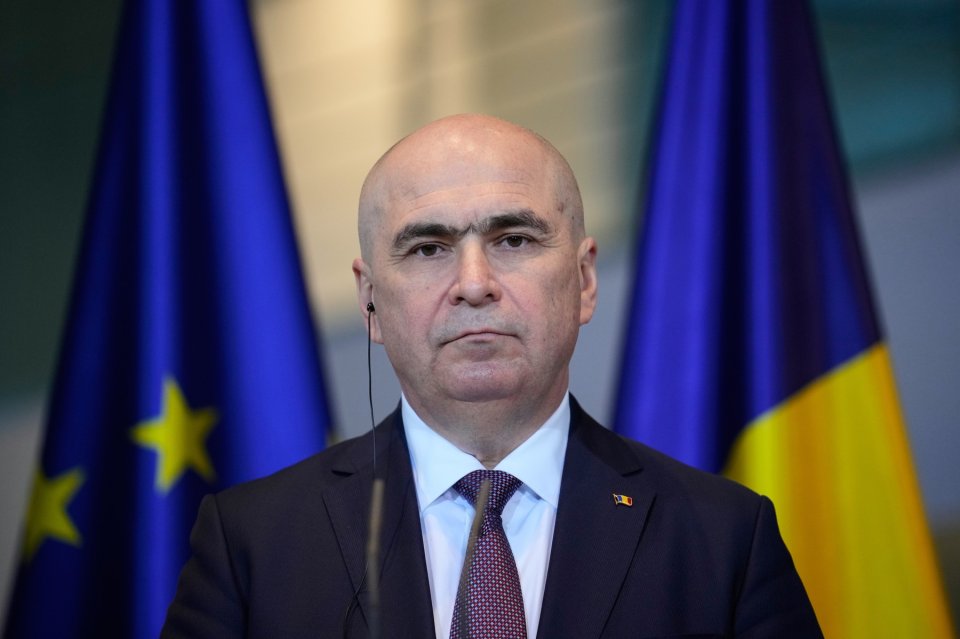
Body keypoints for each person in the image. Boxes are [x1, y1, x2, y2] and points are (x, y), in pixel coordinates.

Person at [161, 114, 822, 638]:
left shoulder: (726, 539)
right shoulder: (251, 543)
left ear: (585, 280)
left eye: (513, 240)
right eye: (428, 248)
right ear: (369, 302)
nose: (474, 284)